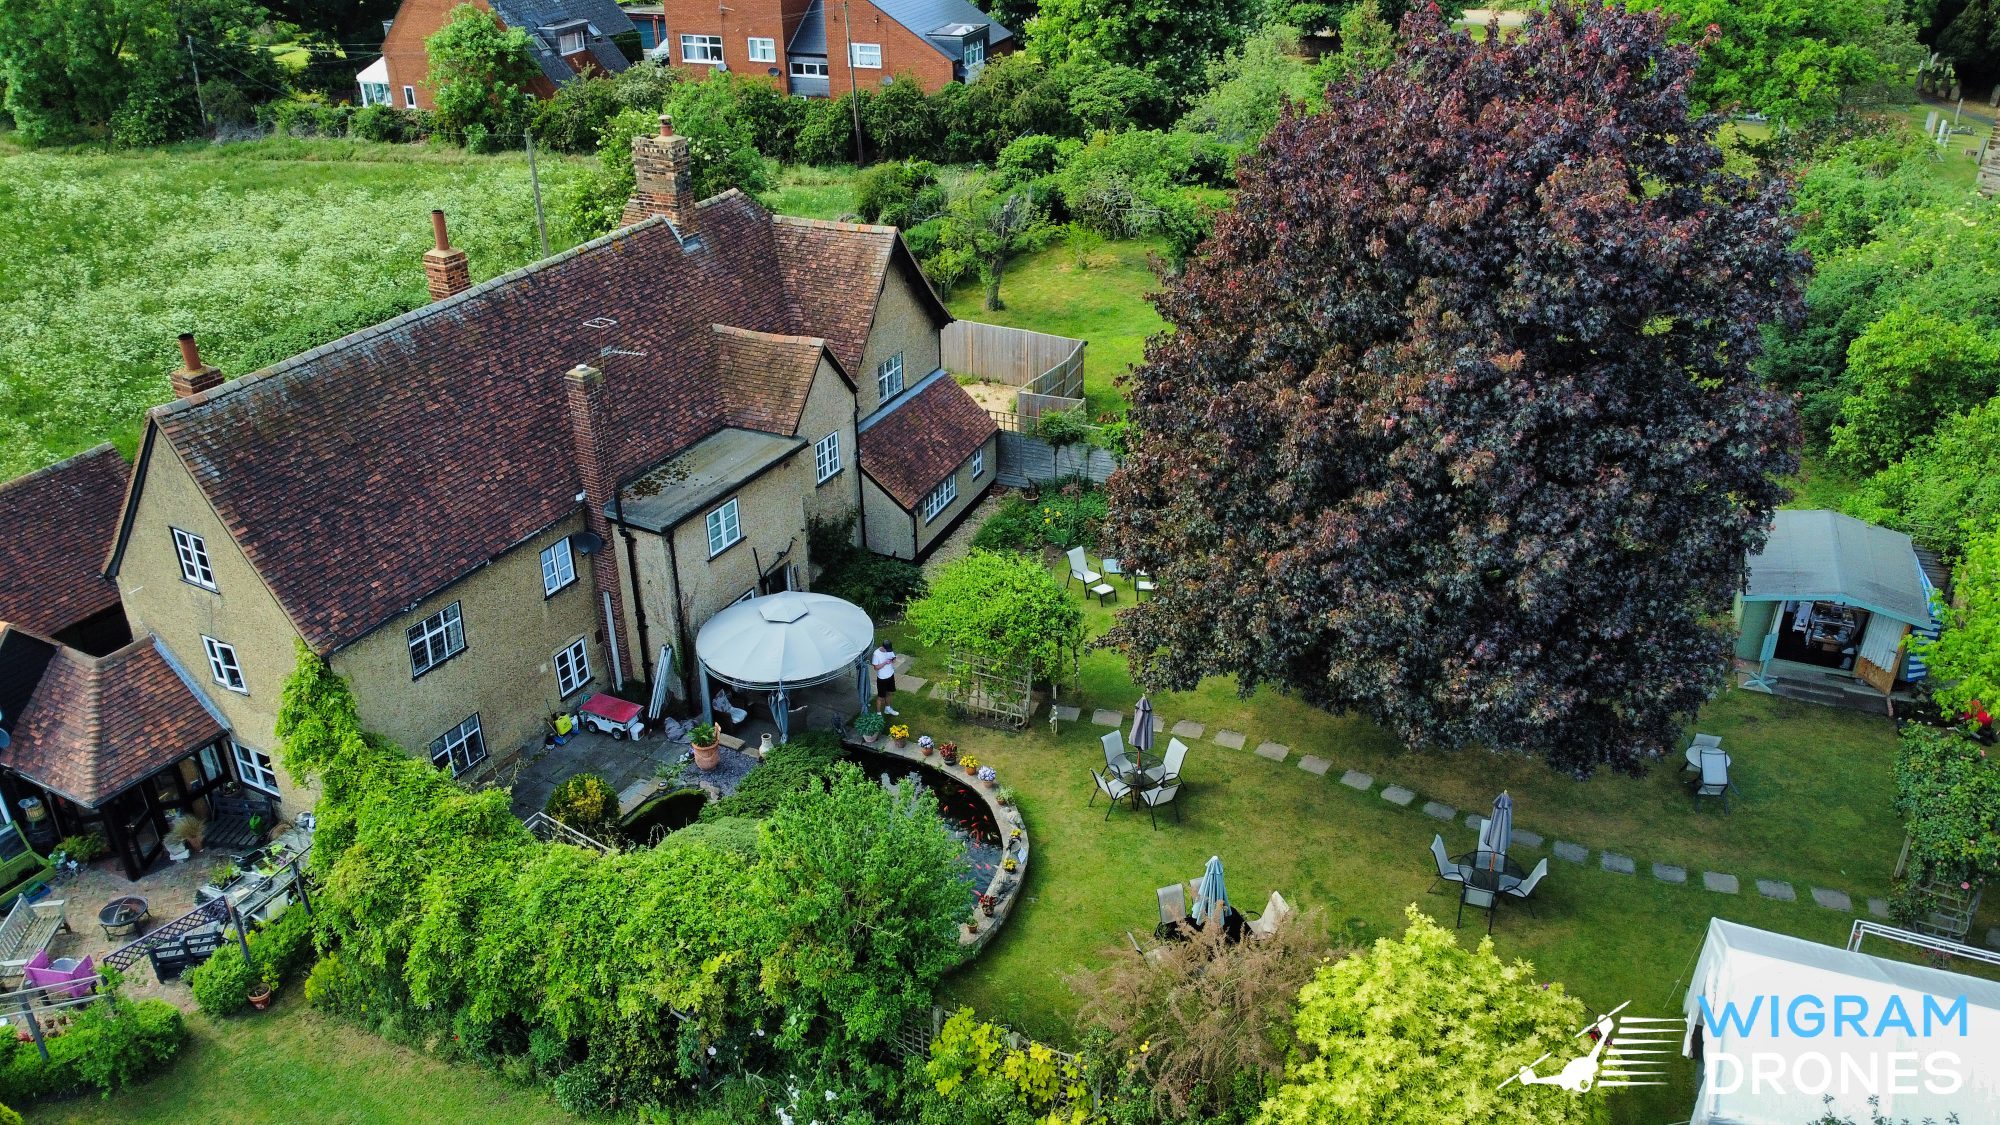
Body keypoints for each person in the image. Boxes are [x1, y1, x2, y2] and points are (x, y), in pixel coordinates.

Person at [872, 640, 899, 715]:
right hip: (882, 678)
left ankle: (888, 709)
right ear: (883, 647)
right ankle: (878, 713)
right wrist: (884, 663)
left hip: (890, 675)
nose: (888, 651)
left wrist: (893, 660)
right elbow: (876, 667)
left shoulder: (889, 650)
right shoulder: (876, 654)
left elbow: (894, 659)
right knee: (881, 697)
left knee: (889, 693)